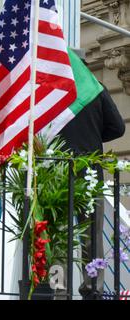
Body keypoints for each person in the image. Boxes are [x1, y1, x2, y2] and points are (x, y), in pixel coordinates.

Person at [58, 54, 126, 299]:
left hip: (56, 175)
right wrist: (94, 137)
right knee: (92, 237)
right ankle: (93, 290)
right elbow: (118, 127)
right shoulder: (97, 90)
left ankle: (59, 290)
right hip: (89, 174)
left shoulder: (52, 91)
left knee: (58, 238)